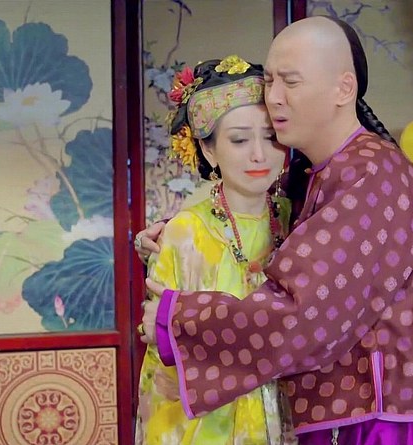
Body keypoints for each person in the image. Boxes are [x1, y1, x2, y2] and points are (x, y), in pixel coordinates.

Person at [140, 16, 413, 444]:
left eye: (291, 81)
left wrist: (177, 319)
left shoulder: (373, 176)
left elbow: (303, 315)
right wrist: (175, 234)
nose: (274, 97)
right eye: (269, 81)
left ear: (344, 89)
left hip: (369, 426)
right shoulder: (315, 179)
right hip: (332, 421)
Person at [135, 55, 293, 445]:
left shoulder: (300, 219)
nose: (259, 154)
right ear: (208, 151)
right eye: (239, 139)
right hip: (208, 426)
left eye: (271, 136)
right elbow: (161, 358)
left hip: (294, 414)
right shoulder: (184, 233)